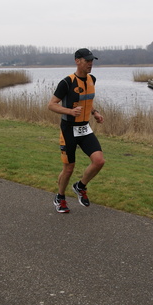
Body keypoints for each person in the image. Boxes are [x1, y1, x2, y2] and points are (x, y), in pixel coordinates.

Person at [47, 48, 105, 213]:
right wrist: (70, 112)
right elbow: (51, 104)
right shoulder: (67, 82)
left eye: (91, 60)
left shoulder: (92, 79)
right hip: (68, 130)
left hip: (84, 128)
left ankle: (80, 186)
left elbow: (86, 100)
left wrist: (95, 113)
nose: (90, 64)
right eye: (87, 60)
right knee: (69, 168)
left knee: (99, 161)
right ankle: (60, 197)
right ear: (77, 61)